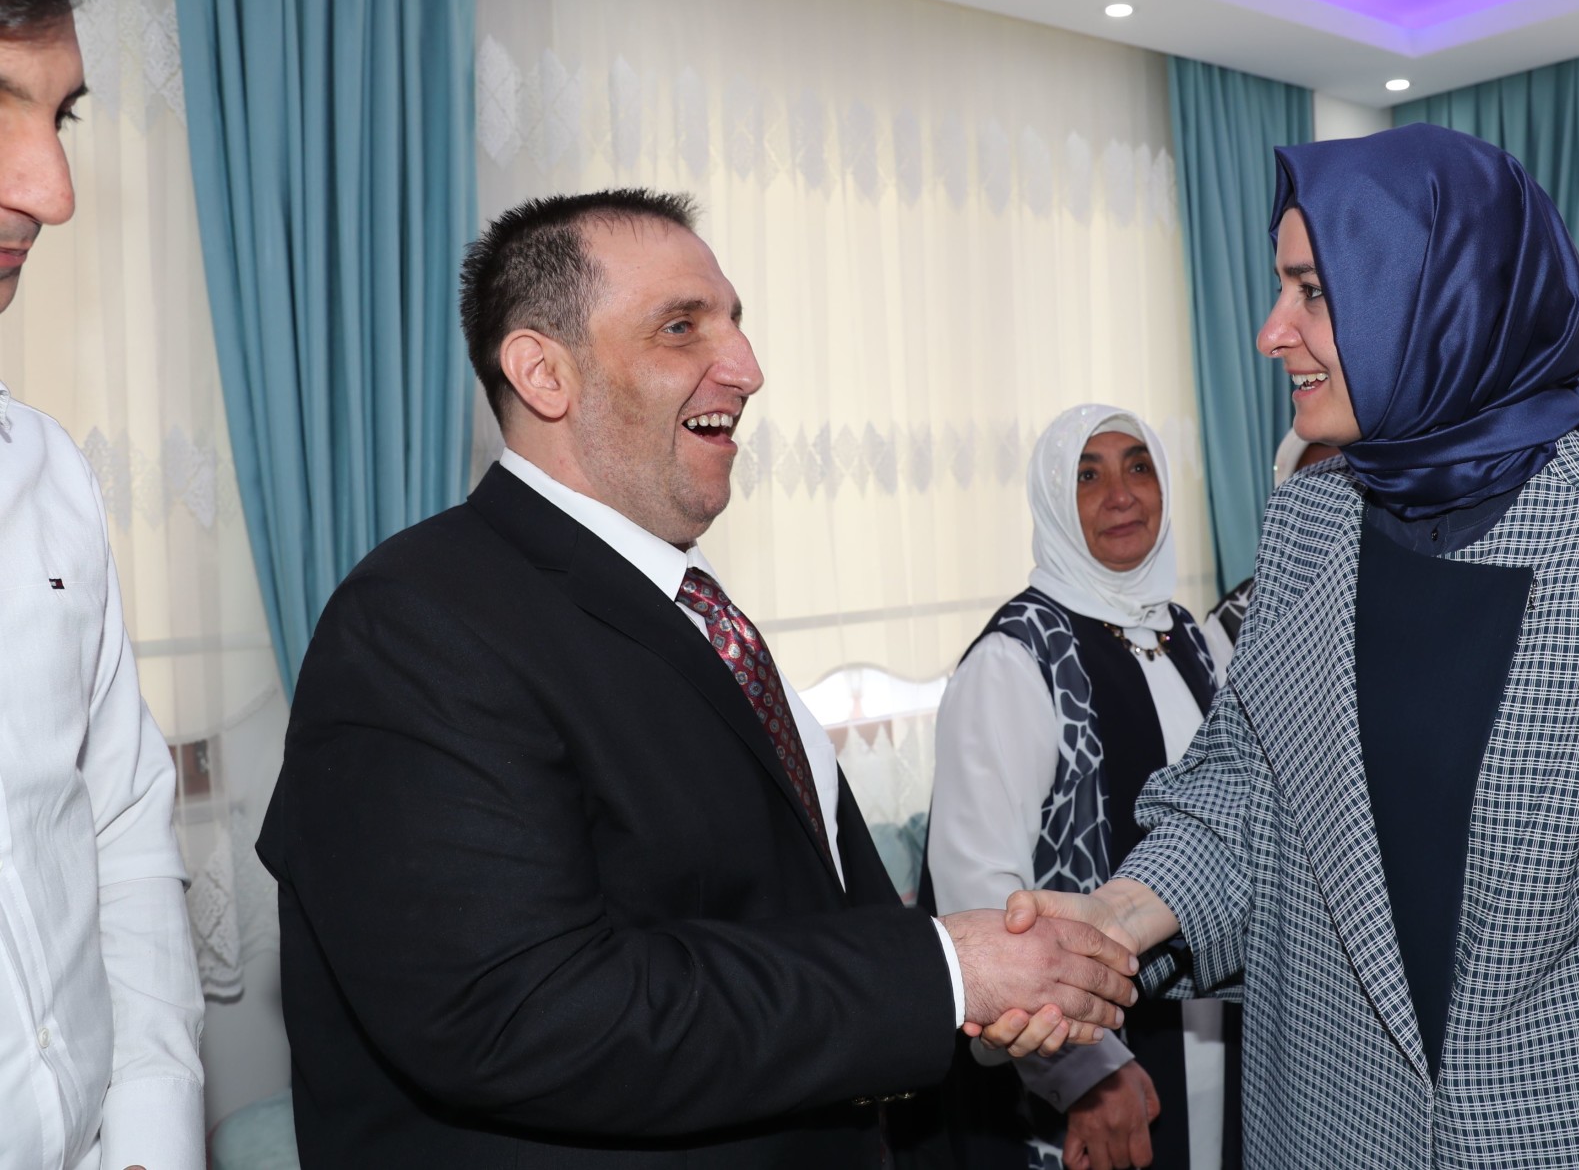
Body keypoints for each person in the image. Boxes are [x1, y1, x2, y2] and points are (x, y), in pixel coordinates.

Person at [990, 124, 1579, 1167]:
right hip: (1324, 1129)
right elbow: (1242, 799)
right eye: (1279, 287)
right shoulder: (1309, 524)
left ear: (1434, 298)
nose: (1269, 331)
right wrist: (1110, 920)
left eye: (1311, 292)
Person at [255, 188, 1138, 1167]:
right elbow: (525, 1010)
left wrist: (975, 983)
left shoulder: (691, 605)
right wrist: (942, 970)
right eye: (681, 326)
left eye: (736, 323)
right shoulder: (415, 623)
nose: (747, 369)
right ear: (543, 373)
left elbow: (787, 910)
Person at [0, 0, 206, 1170]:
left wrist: (150, 1133)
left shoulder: (51, 475)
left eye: (59, 115)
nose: (53, 188)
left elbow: (119, 825)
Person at [928, 404, 1238, 1170]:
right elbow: (982, 895)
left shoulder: (1191, 639)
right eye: (1087, 476)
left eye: (1139, 467)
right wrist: (1086, 1073)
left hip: (1216, 1037)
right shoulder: (1015, 660)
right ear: (1052, 503)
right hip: (1098, 1058)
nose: (1120, 495)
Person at [1201, 429, 1340, 680]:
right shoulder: (1233, 622)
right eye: (1311, 492)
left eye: (1345, 488)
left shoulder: (1394, 593)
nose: (1328, 510)